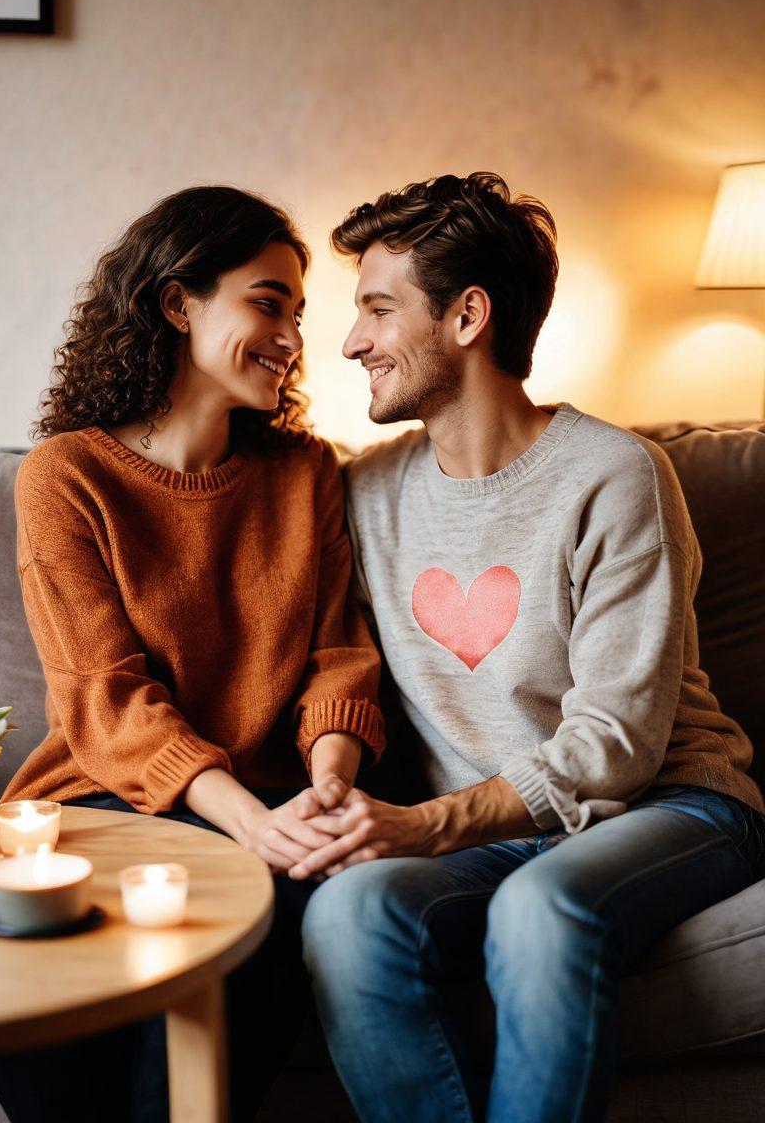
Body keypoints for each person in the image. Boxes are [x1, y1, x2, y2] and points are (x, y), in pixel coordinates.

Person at [293, 172, 765, 1123]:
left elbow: (615, 749)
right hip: (503, 835)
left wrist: (420, 827)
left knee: (541, 910)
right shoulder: (365, 492)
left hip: (671, 804)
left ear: (468, 316)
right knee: (346, 914)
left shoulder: (615, 476)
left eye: (379, 310)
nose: (351, 343)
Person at [0, 184, 384, 1123]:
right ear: (178, 303)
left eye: (298, 312)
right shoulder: (66, 475)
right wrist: (249, 822)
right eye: (268, 302)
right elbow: (105, 701)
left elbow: (340, 656)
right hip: (92, 811)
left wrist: (327, 786)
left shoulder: (307, 474)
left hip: (276, 812)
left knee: (285, 913)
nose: (293, 340)